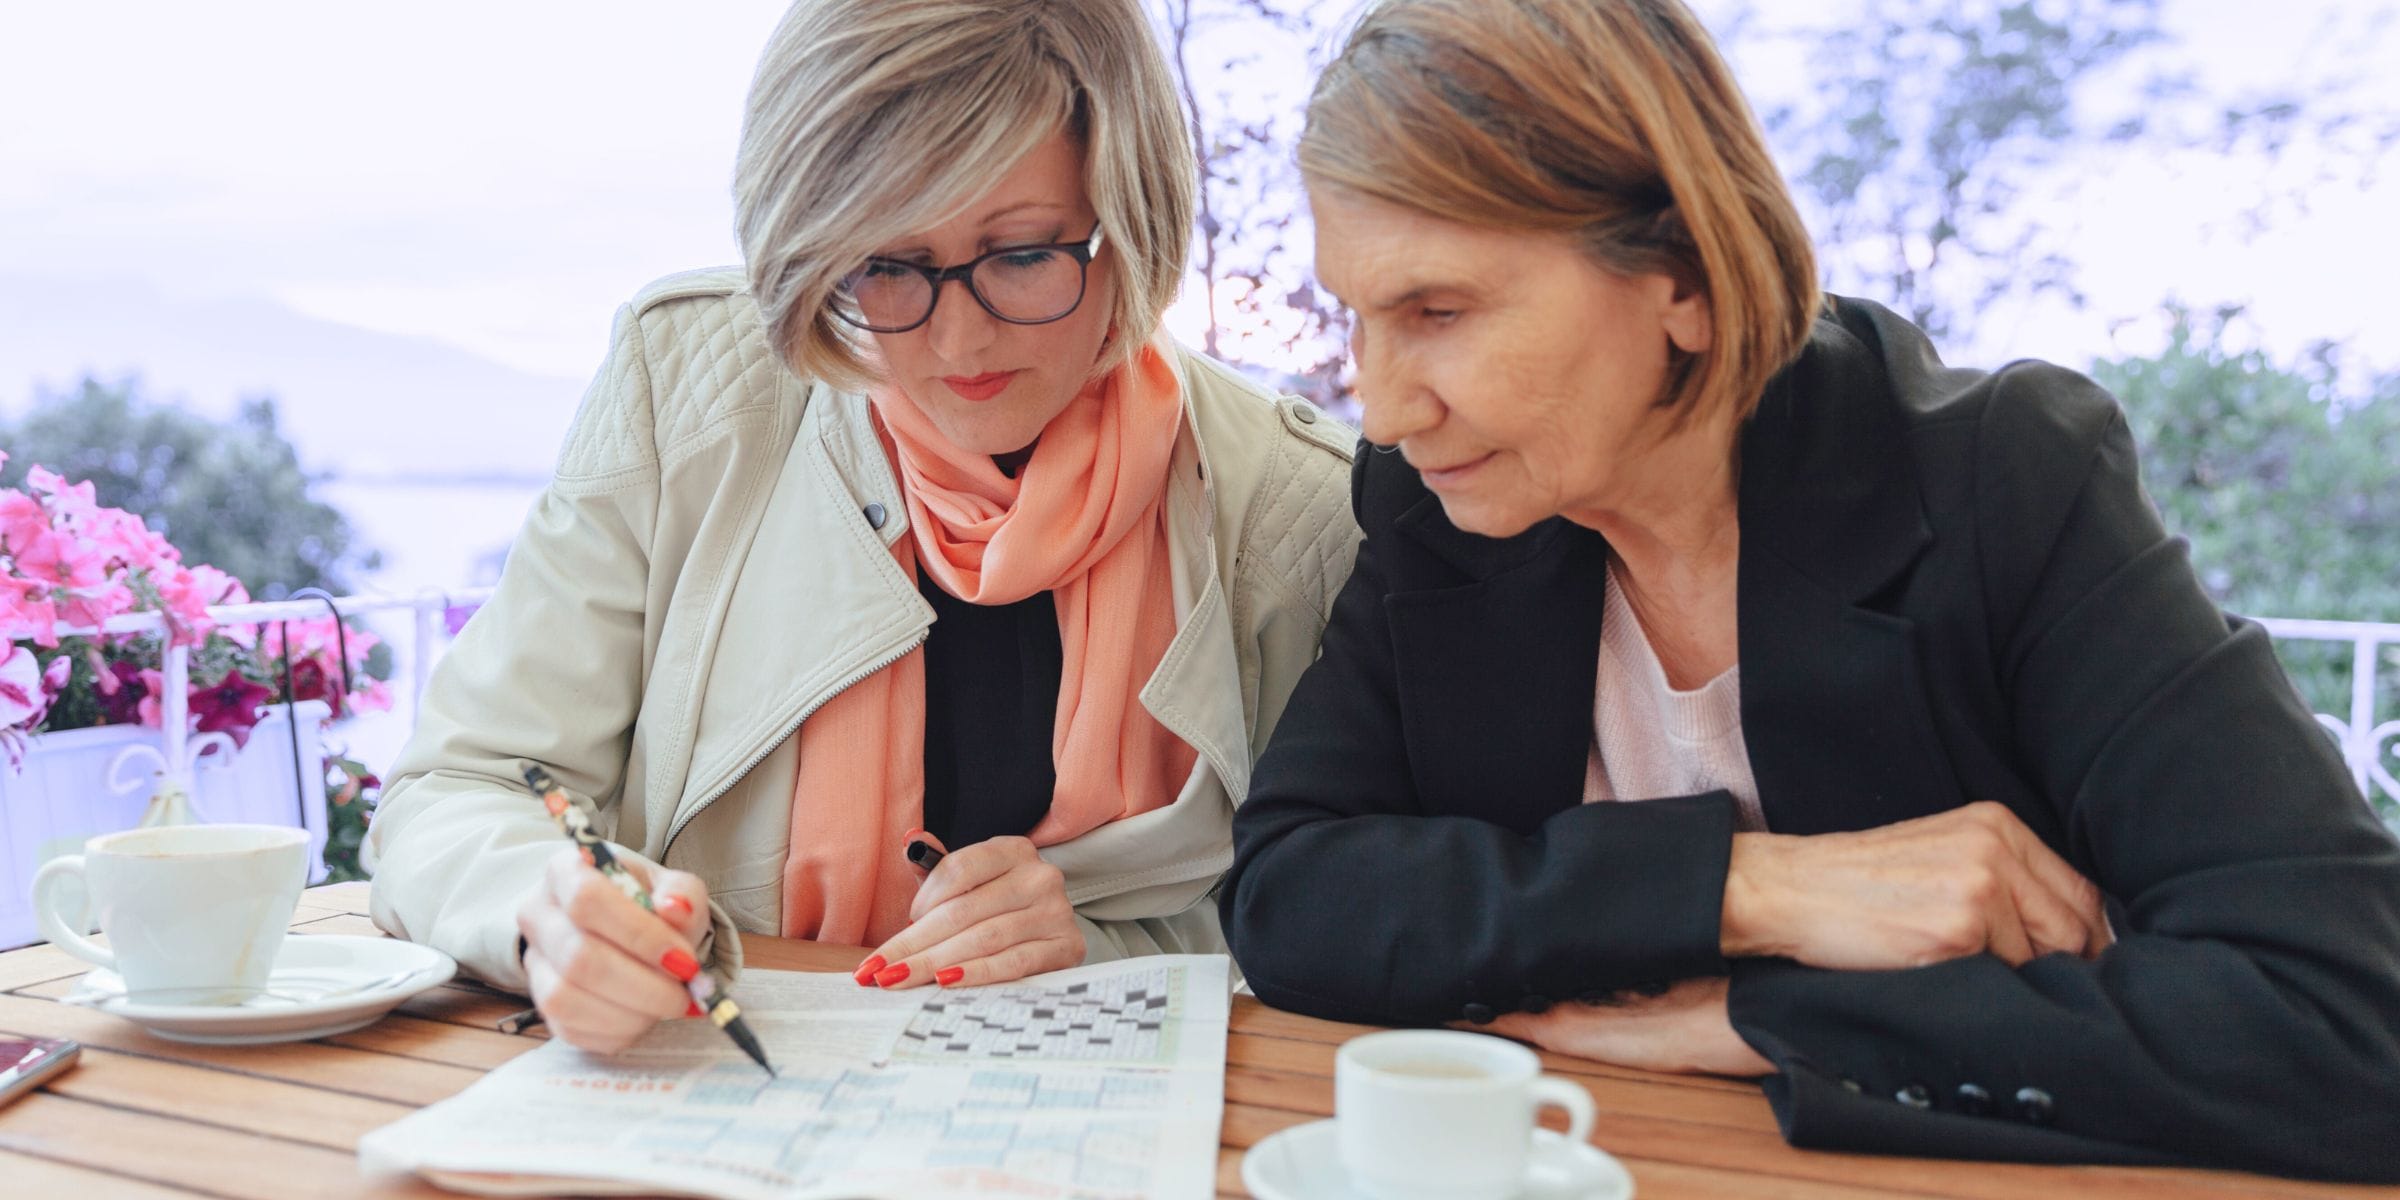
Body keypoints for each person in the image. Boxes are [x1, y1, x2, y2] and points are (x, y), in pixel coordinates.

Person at [1218, 0, 2400, 1180]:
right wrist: (1752, 889)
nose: (1382, 408)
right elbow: (1292, 896)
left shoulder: (2006, 480)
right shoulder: (1436, 508)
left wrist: (1763, 1022)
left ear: (1683, 275)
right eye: (1358, 318)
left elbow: (2347, 1013)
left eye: (1440, 313)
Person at [367, 0, 1358, 1056]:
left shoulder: (1293, 506)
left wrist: (1102, 945)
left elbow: (1333, 923)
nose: (958, 338)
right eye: (886, 266)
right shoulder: (690, 394)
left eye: (1022, 254)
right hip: (708, 1098)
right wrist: (549, 909)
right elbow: (459, 789)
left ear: (1132, 217)